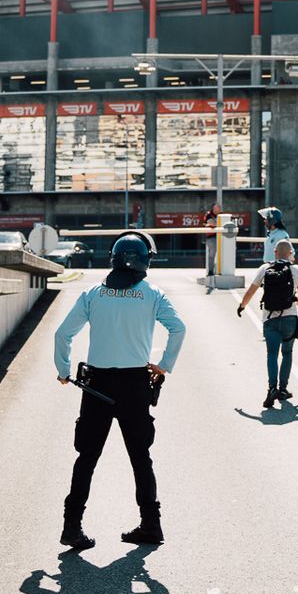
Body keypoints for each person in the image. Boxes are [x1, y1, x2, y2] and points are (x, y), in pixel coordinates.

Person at [53, 230, 186, 551]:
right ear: (144, 262)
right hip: (134, 386)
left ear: (113, 259)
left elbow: (62, 334)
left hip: (97, 385)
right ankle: (150, 524)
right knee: (141, 457)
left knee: (86, 457)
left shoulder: (93, 294)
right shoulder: (153, 294)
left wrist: (63, 371)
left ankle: (72, 526)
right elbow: (178, 328)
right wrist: (164, 365)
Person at [236, 235, 298, 408]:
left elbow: (251, 291)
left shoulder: (264, 268)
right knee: (287, 353)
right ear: (290, 253)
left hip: (269, 319)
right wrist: (291, 301)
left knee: (271, 355)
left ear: (275, 252)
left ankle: (271, 389)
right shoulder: (297, 270)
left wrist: (242, 306)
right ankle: (283, 389)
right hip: (290, 319)